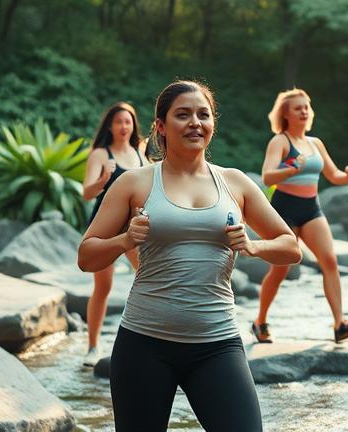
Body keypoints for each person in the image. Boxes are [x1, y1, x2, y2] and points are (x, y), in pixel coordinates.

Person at [78, 80, 300, 432]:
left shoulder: (235, 182)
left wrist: (254, 246)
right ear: (161, 127)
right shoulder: (134, 183)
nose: (195, 122)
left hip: (218, 345)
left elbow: (291, 246)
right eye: (183, 115)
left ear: (213, 124)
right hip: (144, 344)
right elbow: (87, 257)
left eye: (203, 114)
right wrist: (125, 239)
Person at [250, 88, 348, 344]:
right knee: (280, 270)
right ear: (286, 114)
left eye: (306, 107)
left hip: (311, 209)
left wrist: (347, 175)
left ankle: (340, 325)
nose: (304, 111)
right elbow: (268, 176)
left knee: (330, 261)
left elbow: (333, 175)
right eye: (297, 108)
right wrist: (292, 167)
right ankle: (259, 322)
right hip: (285, 209)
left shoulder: (315, 143)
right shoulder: (280, 141)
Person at [81, 101, 148, 366]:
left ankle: (146, 341)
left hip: (136, 225)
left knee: (147, 278)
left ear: (133, 126)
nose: (123, 126)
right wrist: (102, 180)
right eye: (119, 121)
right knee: (103, 287)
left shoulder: (140, 151)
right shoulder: (100, 154)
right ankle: (92, 347)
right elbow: (87, 192)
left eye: (128, 122)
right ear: (110, 125)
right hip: (106, 225)